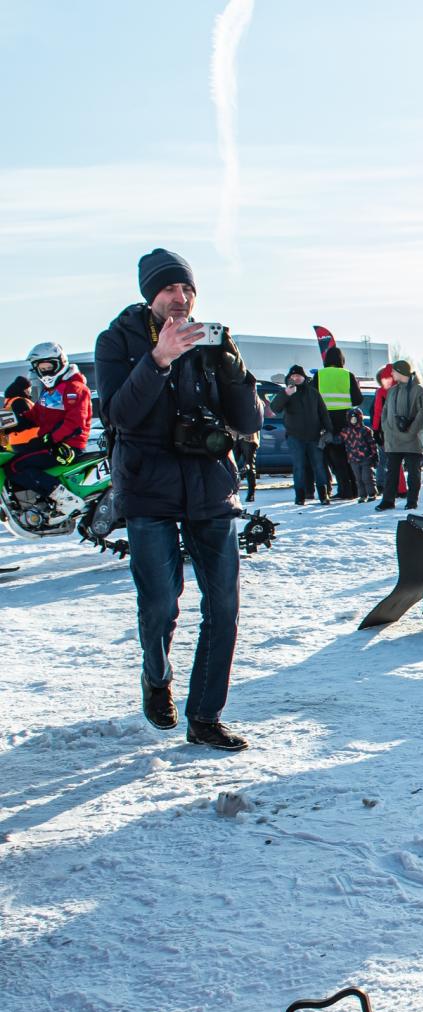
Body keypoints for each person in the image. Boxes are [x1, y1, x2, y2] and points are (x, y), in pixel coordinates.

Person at [94, 248, 259, 750]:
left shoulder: (211, 341)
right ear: (151, 295)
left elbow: (248, 421)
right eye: (170, 290)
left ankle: (205, 716)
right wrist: (159, 359)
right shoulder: (117, 340)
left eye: (187, 290)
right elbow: (120, 415)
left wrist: (231, 368)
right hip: (148, 488)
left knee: (224, 608)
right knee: (161, 605)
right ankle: (156, 677)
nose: (181, 299)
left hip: (210, 486)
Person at [2, 341, 92, 501]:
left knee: (15, 466)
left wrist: (49, 439)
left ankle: (63, 499)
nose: (45, 373)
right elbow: (34, 416)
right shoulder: (49, 392)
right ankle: (35, 506)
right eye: (41, 369)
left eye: (48, 367)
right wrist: (12, 423)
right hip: (51, 443)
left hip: (66, 446)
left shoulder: (74, 387)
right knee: (14, 461)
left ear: (60, 363)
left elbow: (74, 423)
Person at [270, 365, 330, 505]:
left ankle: (323, 495)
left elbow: (323, 413)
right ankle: (300, 496)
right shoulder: (286, 393)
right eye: (293, 376)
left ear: (304, 378)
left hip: (314, 436)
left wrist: (329, 430)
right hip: (295, 437)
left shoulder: (313, 393)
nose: (296, 378)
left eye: (299, 376)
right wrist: (286, 394)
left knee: (319, 466)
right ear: (289, 378)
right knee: (299, 467)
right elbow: (275, 408)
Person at [375, 360, 423, 510]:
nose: (391, 374)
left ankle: (412, 501)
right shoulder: (392, 391)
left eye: (394, 371)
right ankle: (388, 500)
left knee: (413, 473)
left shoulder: (418, 390)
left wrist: (411, 432)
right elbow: (385, 413)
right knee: (391, 473)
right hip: (393, 439)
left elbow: (422, 413)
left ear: (401, 372)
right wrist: (386, 429)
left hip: (412, 440)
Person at [316, 346, 364, 499]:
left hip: (327, 421)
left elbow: (312, 398)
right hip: (346, 420)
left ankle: (345, 490)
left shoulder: (319, 375)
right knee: (349, 457)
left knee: (335, 459)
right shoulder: (348, 375)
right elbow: (358, 399)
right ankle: (356, 489)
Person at [342, 406, 378, 501]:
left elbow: (372, 443)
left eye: (355, 418)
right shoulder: (346, 431)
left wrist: (374, 455)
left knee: (367, 477)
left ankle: (371, 493)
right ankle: (362, 495)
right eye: (351, 418)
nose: (353, 420)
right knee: (358, 478)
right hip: (353, 459)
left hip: (366, 458)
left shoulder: (365, 430)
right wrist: (328, 438)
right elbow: (338, 439)